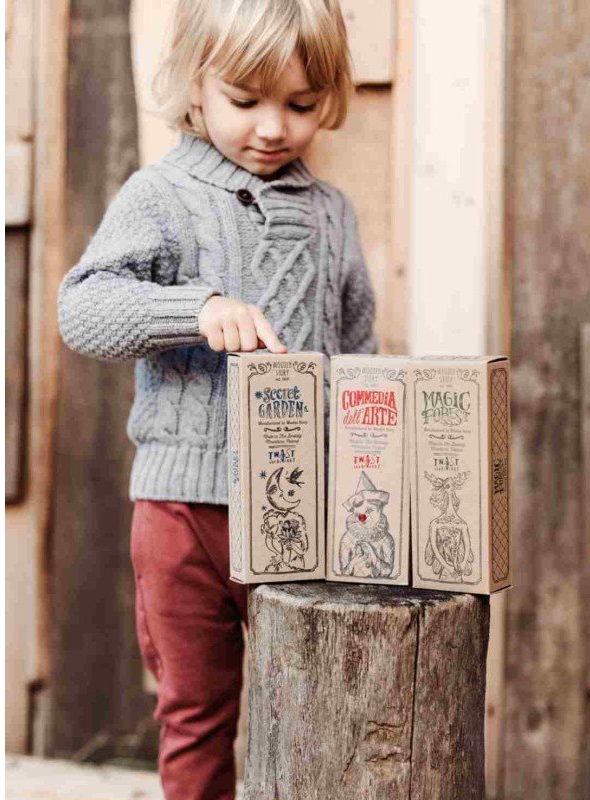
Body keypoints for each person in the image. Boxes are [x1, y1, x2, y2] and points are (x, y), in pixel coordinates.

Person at [56, 1, 377, 797]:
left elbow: (358, 346)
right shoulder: (161, 195)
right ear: (195, 88)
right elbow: (82, 310)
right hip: (183, 517)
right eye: (246, 100)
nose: (273, 127)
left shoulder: (333, 216)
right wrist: (193, 309)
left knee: (317, 709)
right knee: (196, 715)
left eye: (300, 105)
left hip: (306, 515)